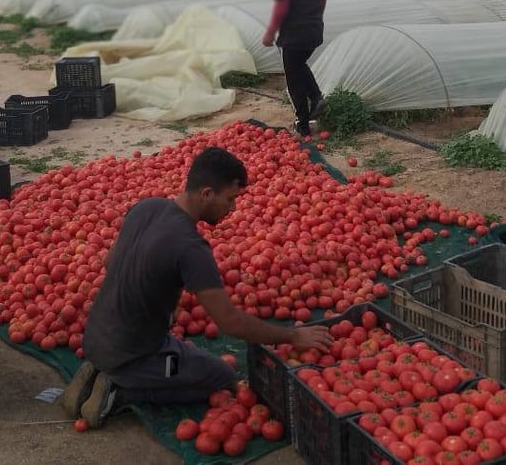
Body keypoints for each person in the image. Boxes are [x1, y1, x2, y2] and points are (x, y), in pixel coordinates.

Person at [64, 147, 333, 427]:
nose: (232, 208)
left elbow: (109, 262)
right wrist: (293, 336)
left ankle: (103, 371)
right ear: (206, 194)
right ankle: (121, 392)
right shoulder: (190, 247)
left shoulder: (146, 207)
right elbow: (229, 322)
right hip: (141, 355)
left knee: (181, 356)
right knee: (219, 376)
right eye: (229, 199)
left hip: (95, 339)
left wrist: (154, 298)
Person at [261, 0, 328, 136]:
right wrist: (316, 17)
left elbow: (282, 5)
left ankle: (303, 124)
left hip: (293, 35)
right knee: (299, 64)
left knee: (293, 79)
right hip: (314, 30)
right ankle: (317, 98)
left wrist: (270, 32)